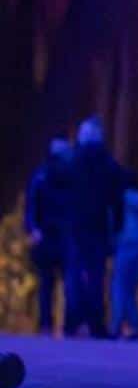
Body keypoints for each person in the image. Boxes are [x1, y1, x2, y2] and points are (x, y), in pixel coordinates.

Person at [64, 115, 131, 337]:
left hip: (75, 225)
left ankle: (72, 321)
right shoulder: (108, 164)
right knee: (96, 274)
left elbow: (63, 195)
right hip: (98, 225)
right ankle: (95, 322)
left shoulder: (72, 162)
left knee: (74, 273)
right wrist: (118, 226)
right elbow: (118, 199)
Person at [25, 137, 74, 334]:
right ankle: (69, 324)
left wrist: (33, 229)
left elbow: (31, 206)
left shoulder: (40, 175)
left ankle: (46, 323)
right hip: (65, 236)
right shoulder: (72, 177)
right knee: (68, 283)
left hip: (46, 236)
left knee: (46, 283)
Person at [110, 187, 138, 339]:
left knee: (119, 287)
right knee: (129, 289)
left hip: (125, 244)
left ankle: (118, 324)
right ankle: (133, 324)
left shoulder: (121, 197)